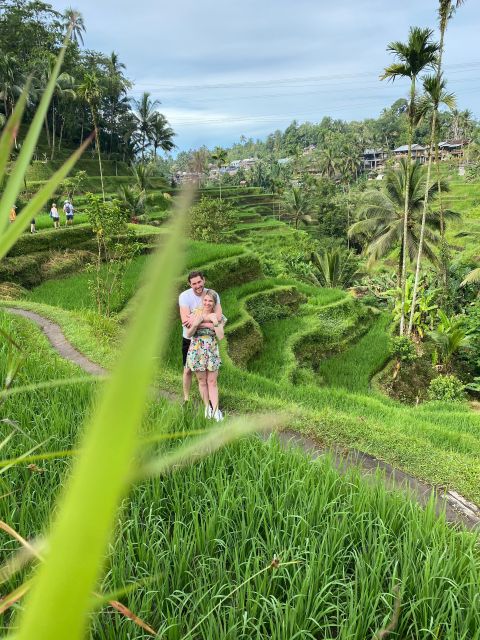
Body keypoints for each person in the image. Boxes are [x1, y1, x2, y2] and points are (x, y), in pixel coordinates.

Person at [179, 271, 223, 403]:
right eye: (194, 283)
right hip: (190, 338)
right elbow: (186, 322)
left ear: (204, 280)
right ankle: (186, 398)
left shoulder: (212, 294)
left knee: (208, 373)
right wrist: (209, 319)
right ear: (189, 284)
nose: (197, 285)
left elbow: (219, 319)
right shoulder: (184, 296)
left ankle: (210, 401)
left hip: (208, 340)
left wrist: (199, 321)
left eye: (199, 282)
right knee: (187, 370)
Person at [185, 290, 224, 421]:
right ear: (203, 300)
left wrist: (215, 323)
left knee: (212, 381)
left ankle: (216, 410)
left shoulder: (219, 317)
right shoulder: (194, 314)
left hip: (211, 350)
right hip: (197, 350)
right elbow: (189, 334)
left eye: (210, 301)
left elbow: (221, 336)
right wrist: (197, 323)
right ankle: (207, 407)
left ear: (214, 303)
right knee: (202, 381)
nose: (207, 303)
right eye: (205, 300)